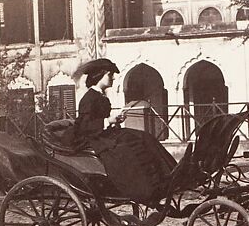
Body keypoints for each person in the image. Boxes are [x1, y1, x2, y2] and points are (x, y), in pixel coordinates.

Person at [72, 57, 177, 205]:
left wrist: (116, 120)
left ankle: (169, 176)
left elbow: (101, 120)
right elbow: (84, 126)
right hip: (95, 140)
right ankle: (146, 190)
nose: (113, 78)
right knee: (128, 146)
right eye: (110, 75)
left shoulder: (99, 96)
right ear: (99, 76)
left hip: (105, 134)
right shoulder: (89, 98)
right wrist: (108, 121)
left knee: (145, 137)